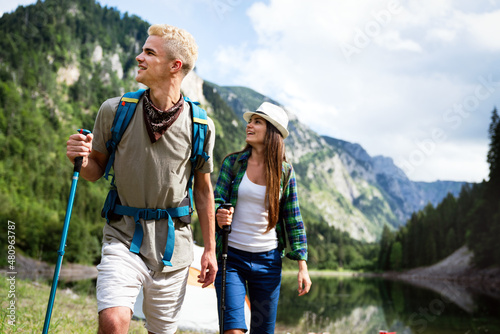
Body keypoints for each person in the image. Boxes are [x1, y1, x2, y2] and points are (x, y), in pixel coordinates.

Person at [66, 24, 217, 334]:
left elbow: (203, 191)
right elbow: (95, 169)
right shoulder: (115, 110)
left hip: (174, 248)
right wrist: (80, 161)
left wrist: (211, 250)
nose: (139, 57)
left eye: (149, 52)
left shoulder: (200, 125)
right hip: (123, 233)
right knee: (114, 319)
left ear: (175, 66)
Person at [214, 102, 312, 333]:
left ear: (272, 132)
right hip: (232, 259)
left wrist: (302, 265)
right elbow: (217, 200)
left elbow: (293, 219)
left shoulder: (285, 172)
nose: (249, 125)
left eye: (257, 122)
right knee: (232, 329)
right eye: (250, 120)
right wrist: (219, 213)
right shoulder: (233, 163)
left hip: (268, 262)